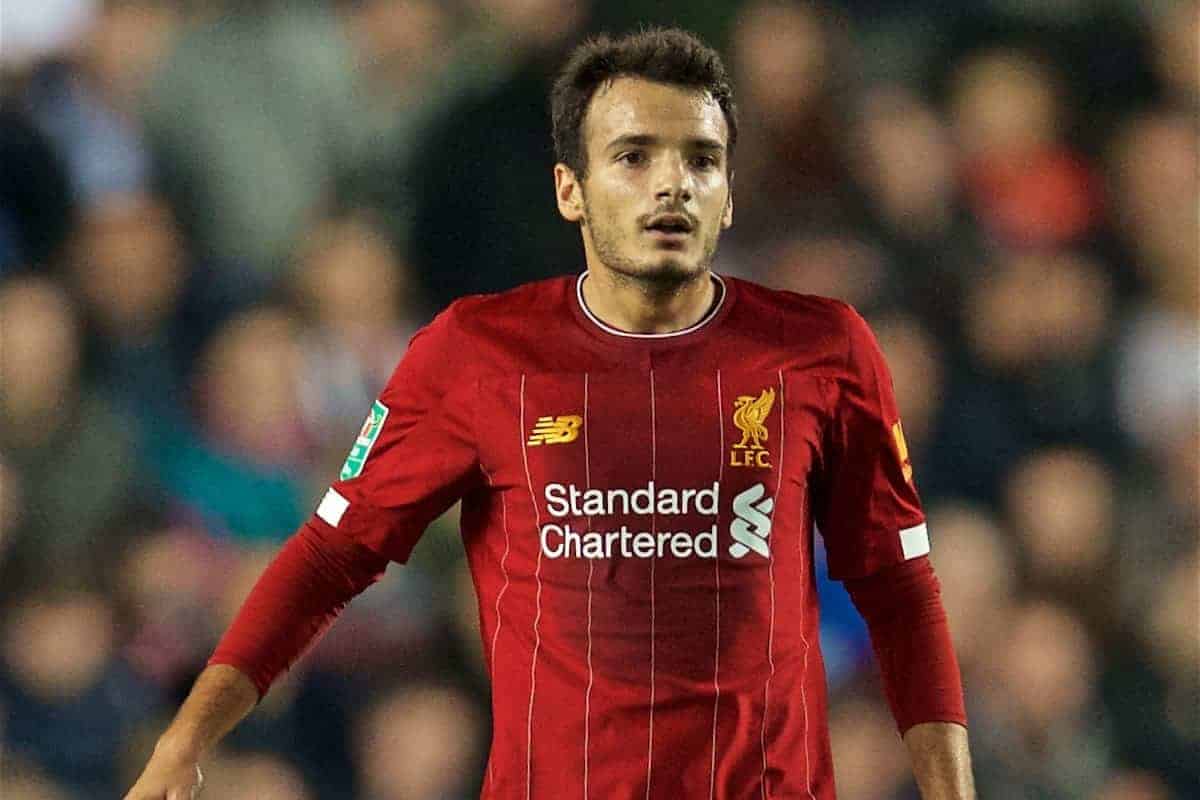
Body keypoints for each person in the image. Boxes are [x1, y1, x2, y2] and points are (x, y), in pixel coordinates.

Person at [125, 27, 975, 799]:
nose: (672, 184)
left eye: (701, 160)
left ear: (729, 194)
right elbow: (326, 560)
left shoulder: (824, 350)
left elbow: (899, 588)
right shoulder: (477, 353)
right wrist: (186, 740)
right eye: (634, 156)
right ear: (570, 189)